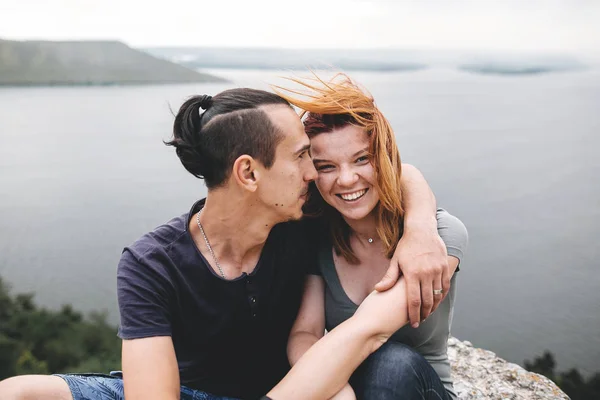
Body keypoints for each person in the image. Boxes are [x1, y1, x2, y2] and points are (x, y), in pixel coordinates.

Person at [0, 88, 449, 400]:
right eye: (301, 158)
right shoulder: (150, 263)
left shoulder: (304, 216)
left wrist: (422, 227)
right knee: (18, 391)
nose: (315, 174)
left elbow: (390, 172)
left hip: (292, 389)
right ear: (249, 174)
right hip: (189, 392)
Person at [276, 74, 468, 399]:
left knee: (391, 363)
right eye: (326, 167)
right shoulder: (317, 236)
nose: (347, 179)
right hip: (354, 388)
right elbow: (306, 333)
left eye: (362, 159)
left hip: (420, 390)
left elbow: (371, 332)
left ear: (383, 157)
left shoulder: (439, 235)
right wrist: (337, 393)